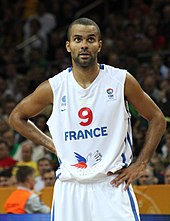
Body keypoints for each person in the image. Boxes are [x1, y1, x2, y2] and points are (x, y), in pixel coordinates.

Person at [8, 18, 166, 221]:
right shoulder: (54, 87)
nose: (84, 44)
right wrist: (54, 146)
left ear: (99, 45)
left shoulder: (121, 80)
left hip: (112, 184)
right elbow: (16, 118)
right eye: (78, 39)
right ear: (68, 46)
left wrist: (141, 163)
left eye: (90, 39)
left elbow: (157, 118)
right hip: (70, 187)